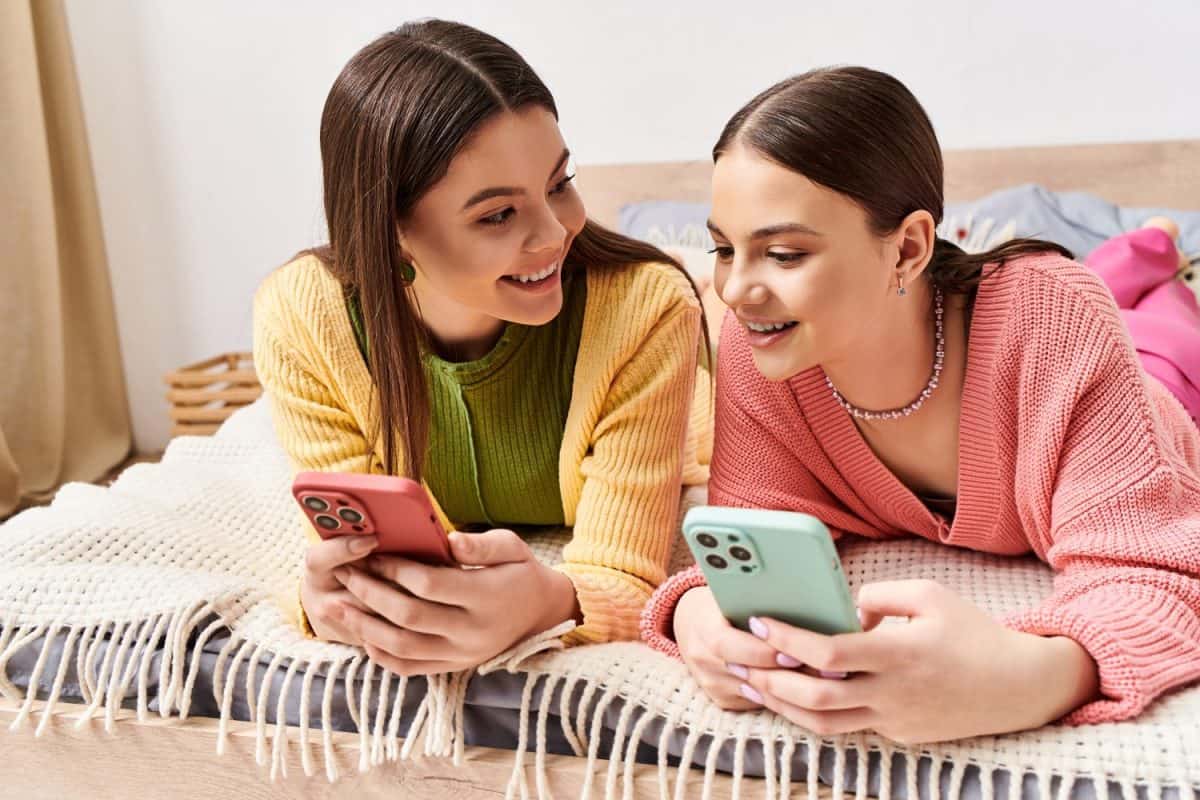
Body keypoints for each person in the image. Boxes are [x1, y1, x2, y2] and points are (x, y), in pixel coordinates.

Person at [640, 66, 1200, 744]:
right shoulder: (761, 349)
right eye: (724, 250)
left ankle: (1157, 244)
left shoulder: (1056, 319)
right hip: (997, 317)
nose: (734, 290)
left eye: (783, 253)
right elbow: (747, 533)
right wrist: (698, 612)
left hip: (1160, 385)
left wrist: (1030, 678)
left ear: (908, 248)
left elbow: (1158, 576)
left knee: (1160, 318)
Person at [253, 20, 711, 676]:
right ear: (389, 232)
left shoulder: (646, 309)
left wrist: (551, 602)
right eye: (498, 215)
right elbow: (357, 551)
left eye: (560, 182)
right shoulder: (302, 315)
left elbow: (623, 575)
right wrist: (327, 602)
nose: (556, 233)